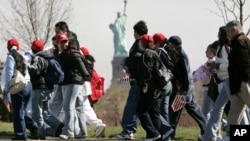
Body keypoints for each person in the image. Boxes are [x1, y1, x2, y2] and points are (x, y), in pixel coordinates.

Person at [168, 35, 207, 140]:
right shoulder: (177, 54)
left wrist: (184, 88)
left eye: (170, 44)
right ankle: (170, 134)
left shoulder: (181, 55)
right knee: (179, 109)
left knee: (188, 109)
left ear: (173, 44)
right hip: (183, 86)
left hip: (185, 86)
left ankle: (206, 129)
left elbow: (185, 72)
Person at [115, 20, 148, 140]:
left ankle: (128, 130)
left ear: (136, 32)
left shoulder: (139, 44)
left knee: (131, 106)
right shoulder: (148, 42)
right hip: (144, 81)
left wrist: (127, 64)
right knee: (141, 108)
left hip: (137, 80)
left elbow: (135, 59)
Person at [55, 34, 91, 140]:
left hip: (73, 82)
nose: (63, 44)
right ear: (57, 43)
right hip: (68, 82)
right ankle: (82, 132)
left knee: (68, 106)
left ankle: (69, 132)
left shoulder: (72, 53)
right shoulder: (61, 53)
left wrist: (86, 75)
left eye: (64, 41)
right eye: (60, 42)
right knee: (77, 107)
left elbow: (80, 65)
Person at [1, 38, 38, 140]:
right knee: (24, 111)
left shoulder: (10, 57)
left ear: (8, 47)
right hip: (28, 84)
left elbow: (9, 74)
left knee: (18, 112)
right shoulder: (23, 56)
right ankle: (33, 126)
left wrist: (6, 89)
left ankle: (21, 134)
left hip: (18, 86)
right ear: (18, 46)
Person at [220, 20, 250, 141]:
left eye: (228, 32)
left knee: (235, 111)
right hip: (238, 84)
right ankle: (230, 136)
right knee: (234, 111)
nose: (227, 35)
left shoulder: (240, 42)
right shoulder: (239, 41)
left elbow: (245, 63)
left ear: (234, 30)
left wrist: (245, 82)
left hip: (243, 83)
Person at [28, 39, 64, 139]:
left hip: (39, 88)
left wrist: (28, 66)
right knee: (44, 111)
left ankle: (40, 134)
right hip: (48, 88)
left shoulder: (37, 58)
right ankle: (57, 124)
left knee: (37, 113)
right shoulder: (48, 57)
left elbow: (34, 70)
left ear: (33, 49)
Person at [136, 34, 163, 141]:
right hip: (158, 87)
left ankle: (153, 134)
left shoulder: (146, 54)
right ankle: (157, 136)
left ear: (142, 44)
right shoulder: (155, 53)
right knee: (154, 112)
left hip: (150, 88)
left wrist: (144, 85)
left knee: (141, 110)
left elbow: (146, 71)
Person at [79, 47, 106, 137]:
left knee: (83, 108)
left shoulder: (82, 61)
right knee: (86, 108)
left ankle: (97, 125)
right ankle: (98, 125)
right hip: (85, 87)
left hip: (81, 86)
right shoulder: (89, 63)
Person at [153, 33, 175, 140]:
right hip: (169, 84)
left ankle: (166, 130)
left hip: (161, 84)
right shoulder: (167, 52)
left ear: (157, 42)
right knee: (164, 111)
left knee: (153, 110)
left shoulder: (157, 52)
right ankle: (167, 138)